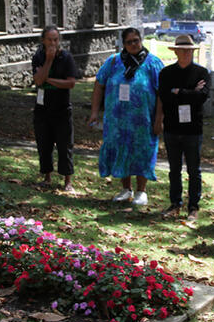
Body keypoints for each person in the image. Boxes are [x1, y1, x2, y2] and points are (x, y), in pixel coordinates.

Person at [88, 28, 163, 206]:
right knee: (122, 151)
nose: (133, 44)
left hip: (143, 121)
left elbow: (162, 93)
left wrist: (159, 119)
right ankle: (126, 189)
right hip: (117, 121)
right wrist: (94, 112)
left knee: (142, 151)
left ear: (141, 40)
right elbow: (99, 83)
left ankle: (141, 191)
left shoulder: (153, 63)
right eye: (129, 42)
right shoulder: (113, 62)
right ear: (124, 44)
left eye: (136, 40)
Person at [155, 35, 210, 221]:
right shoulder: (166, 73)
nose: (186, 53)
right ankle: (175, 203)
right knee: (174, 169)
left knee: (194, 170)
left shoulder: (202, 73)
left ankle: (193, 206)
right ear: (175, 51)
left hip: (193, 129)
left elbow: (201, 97)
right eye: (182, 50)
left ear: (193, 52)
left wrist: (179, 92)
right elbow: (165, 96)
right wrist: (190, 93)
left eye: (189, 50)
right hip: (171, 127)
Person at [31, 25, 77, 191]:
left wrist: (49, 80)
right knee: (44, 144)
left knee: (65, 145)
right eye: (49, 39)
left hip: (62, 108)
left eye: (56, 40)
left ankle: (67, 181)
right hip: (43, 109)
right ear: (43, 40)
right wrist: (48, 60)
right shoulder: (39, 57)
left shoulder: (66, 58)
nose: (53, 43)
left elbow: (70, 83)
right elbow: (37, 81)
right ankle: (47, 177)